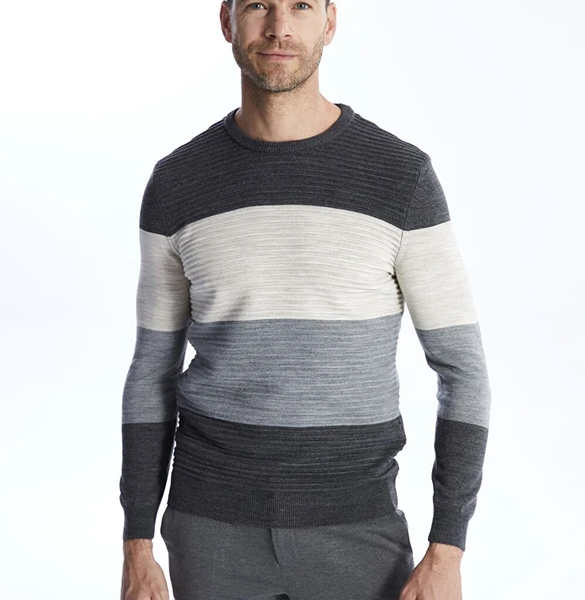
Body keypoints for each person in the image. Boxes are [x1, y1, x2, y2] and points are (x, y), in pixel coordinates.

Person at [119, 1, 491, 599]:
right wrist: (137, 544)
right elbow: (150, 373)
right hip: (208, 531)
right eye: (258, 5)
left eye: (301, 5)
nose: (279, 27)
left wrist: (448, 548)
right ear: (226, 20)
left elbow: (463, 370)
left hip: (359, 532)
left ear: (330, 21)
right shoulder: (178, 183)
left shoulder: (401, 177)